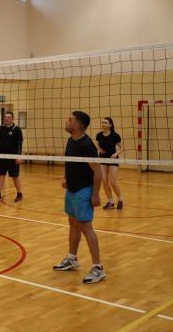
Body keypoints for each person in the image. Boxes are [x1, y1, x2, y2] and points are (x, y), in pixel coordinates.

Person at [53, 111, 106, 284]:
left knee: (86, 227)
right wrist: (65, 177)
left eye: (70, 119)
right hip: (72, 189)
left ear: (78, 124)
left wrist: (95, 194)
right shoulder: (71, 141)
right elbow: (69, 162)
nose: (66, 121)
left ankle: (98, 268)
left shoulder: (87, 145)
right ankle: (72, 258)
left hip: (84, 190)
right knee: (73, 223)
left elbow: (97, 172)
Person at [0, 112, 24, 202]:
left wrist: (18, 156)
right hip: (1, 156)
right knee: (0, 175)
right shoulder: (1, 128)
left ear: (12, 119)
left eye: (9, 117)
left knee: (15, 176)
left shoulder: (17, 129)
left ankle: (19, 194)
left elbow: (19, 144)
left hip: (13, 157)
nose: (7, 119)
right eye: (5, 117)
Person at [95, 117, 124, 210]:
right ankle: (110, 202)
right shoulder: (99, 135)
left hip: (112, 159)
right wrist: (99, 149)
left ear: (110, 125)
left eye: (106, 122)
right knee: (104, 181)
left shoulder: (115, 135)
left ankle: (120, 199)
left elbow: (121, 148)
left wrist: (116, 154)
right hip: (103, 159)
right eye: (102, 122)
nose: (103, 124)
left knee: (113, 181)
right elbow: (97, 144)